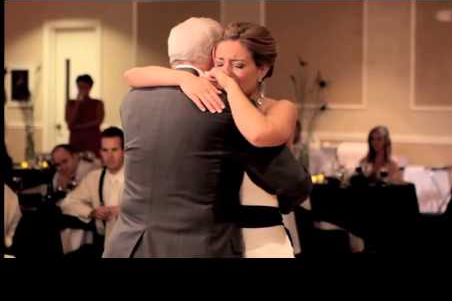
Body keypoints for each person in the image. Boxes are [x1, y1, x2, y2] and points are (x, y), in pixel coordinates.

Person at [104, 17, 311, 258]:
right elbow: (292, 183)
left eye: (236, 63)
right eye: (220, 61)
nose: (224, 70)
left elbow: (131, 75)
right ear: (213, 56)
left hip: (130, 244)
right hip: (200, 245)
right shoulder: (222, 108)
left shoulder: (132, 100)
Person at [60, 127, 125, 256]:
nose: (110, 156)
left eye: (114, 150)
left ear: (124, 151)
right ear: (100, 152)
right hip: (103, 246)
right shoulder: (94, 177)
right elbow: (68, 203)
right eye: (105, 150)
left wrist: (121, 211)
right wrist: (92, 212)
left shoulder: (136, 179)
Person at [65, 74, 105, 157]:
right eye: (79, 87)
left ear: (90, 87)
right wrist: (77, 104)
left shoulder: (97, 103)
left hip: (92, 140)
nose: (82, 90)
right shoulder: (71, 103)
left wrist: (78, 127)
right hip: (76, 141)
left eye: (84, 87)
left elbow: (98, 121)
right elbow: (70, 122)